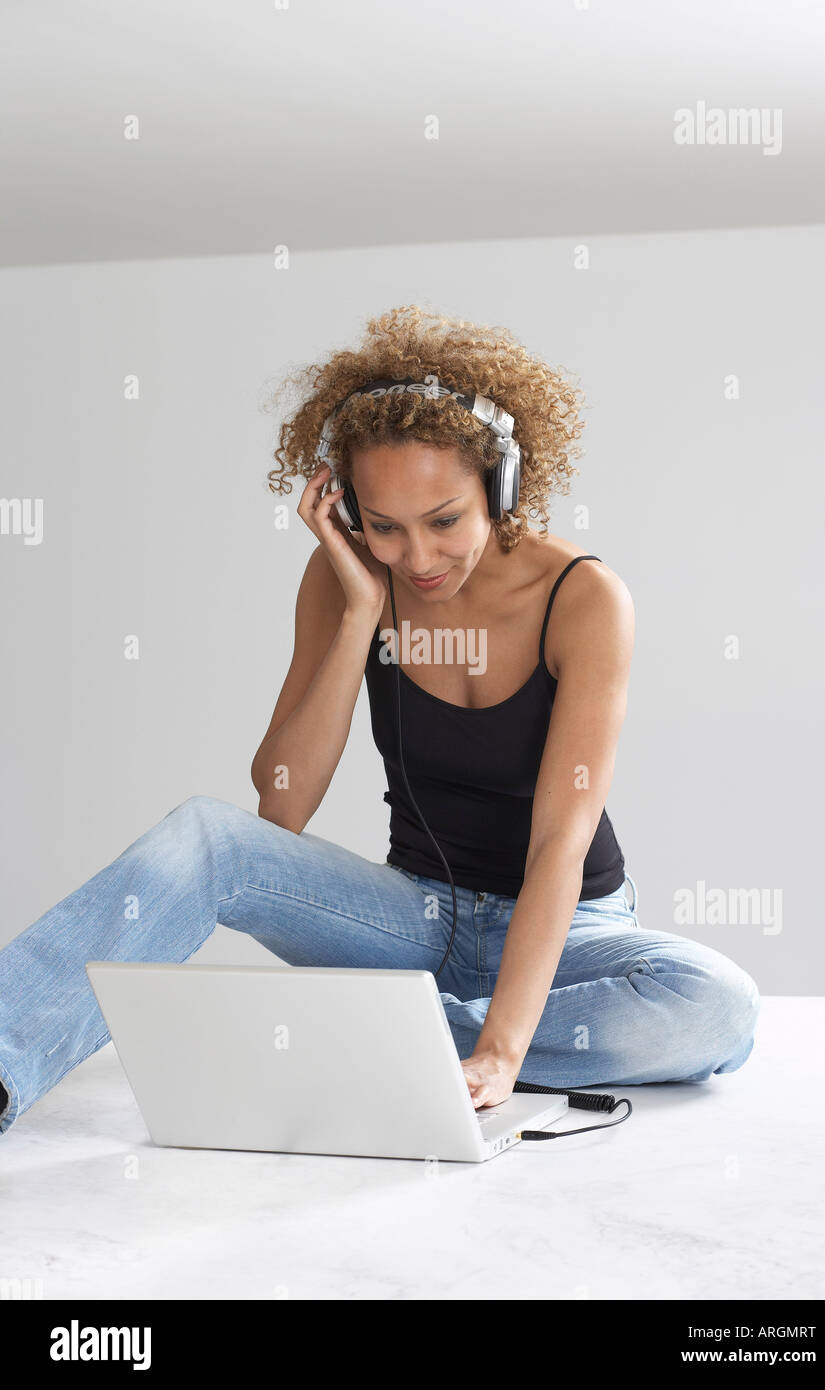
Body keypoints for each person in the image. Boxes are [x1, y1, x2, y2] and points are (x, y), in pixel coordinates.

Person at [0, 305, 760, 1135]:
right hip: (409, 917)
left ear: (501, 487)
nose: (419, 559)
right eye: (385, 527)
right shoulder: (346, 578)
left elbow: (560, 843)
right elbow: (281, 807)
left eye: (445, 521)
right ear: (351, 511)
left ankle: (371, 1032)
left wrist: (503, 1049)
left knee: (715, 1007)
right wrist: (361, 609)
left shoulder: (582, 599)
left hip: (565, 926)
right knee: (204, 838)